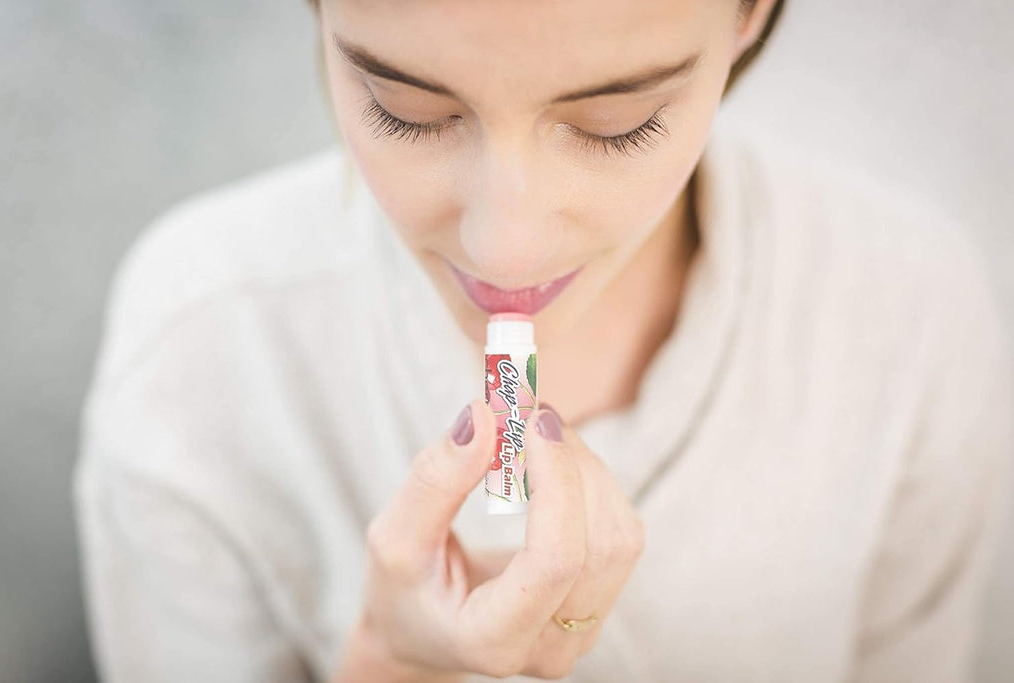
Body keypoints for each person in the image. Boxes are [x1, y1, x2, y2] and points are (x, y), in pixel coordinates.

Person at [72, 0, 1014, 681]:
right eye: (408, 111)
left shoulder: (906, 317)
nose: (505, 249)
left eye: (616, 125)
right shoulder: (199, 349)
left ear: (750, 16)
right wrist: (392, 664)